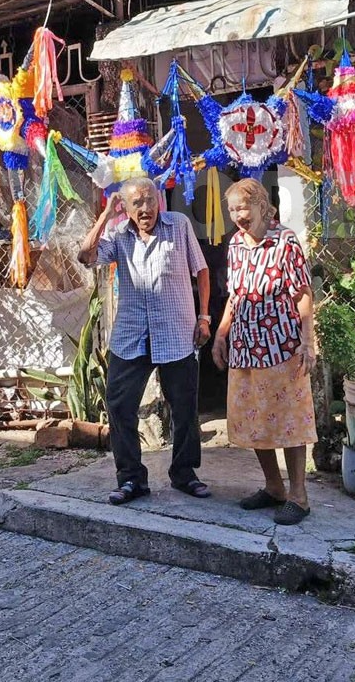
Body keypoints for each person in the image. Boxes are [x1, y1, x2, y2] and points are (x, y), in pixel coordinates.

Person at [78, 177, 212, 505]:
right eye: (137, 203)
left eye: (150, 200)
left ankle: (184, 474)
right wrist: (106, 213)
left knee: (184, 407)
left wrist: (204, 316)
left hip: (176, 333)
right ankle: (131, 478)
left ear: (159, 200)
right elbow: (85, 256)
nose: (146, 208)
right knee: (119, 405)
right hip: (131, 336)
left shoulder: (178, 226)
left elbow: (202, 270)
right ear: (125, 207)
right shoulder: (118, 236)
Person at [213, 178, 317, 526]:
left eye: (243, 208)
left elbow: (303, 294)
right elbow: (235, 295)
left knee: (288, 419)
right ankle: (274, 487)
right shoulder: (236, 245)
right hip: (245, 346)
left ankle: (298, 496)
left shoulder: (285, 241)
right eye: (232, 210)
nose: (238, 216)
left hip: (281, 345)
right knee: (255, 418)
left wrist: (308, 340)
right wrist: (221, 334)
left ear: (261, 205)